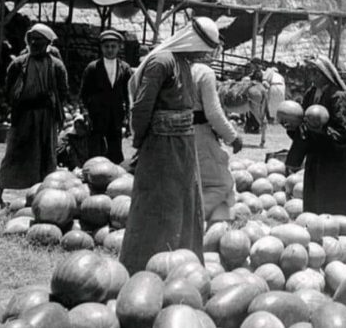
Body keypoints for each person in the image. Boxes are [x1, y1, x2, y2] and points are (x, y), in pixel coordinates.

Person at [119, 17, 220, 274]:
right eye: (205, 49)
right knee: (159, 206)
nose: (205, 55)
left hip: (183, 146)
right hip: (161, 147)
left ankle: (181, 264)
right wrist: (140, 141)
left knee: (184, 205)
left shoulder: (184, 63)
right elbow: (141, 108)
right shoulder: (162, 61)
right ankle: (145, 266)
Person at [285, 55, 346, 232]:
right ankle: (316, 233)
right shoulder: (310, 94)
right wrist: (292, 127)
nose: (312, 75)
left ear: (325, 73)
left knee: (337, 203)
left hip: (336, 161)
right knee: (315, 198)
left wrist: (321, 130)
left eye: (315, 71)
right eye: (310, 71)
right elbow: (303, 127)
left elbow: (343, 134)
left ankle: (344, 235)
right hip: (317, 158)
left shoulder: (337, 96)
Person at [0, 24, 69, 208]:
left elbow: (63, 91)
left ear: (47, 43)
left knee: (46, 154)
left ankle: (43, 196)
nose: (35, 43)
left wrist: (54, 109)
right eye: (32, 39)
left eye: (39, 40)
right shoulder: (19, 63)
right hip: (24, 115)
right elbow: (8, 88)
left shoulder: (56, 65)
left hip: (46, 116)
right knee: (14, 152)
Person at [192, 59, 243, 224]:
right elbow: (213, 113)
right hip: (199, 132)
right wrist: (233, 137)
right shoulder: (204, 72)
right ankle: (193, 220)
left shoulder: (174, 66)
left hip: (175, 133)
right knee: (222, 184)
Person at [79, 30, 132, 164]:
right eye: (106, 46)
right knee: (95, 150)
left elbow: (129, 95)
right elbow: (83, 95)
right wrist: (85, 114)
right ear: (101, 48)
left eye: (113, 46)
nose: (110, 50)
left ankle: (114, 178)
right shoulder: (92, 68)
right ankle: (93, 175)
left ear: (119, 47)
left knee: (115, 150)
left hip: (116, 116)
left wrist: (128, 116)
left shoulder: (125, 69)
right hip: (97, 115)